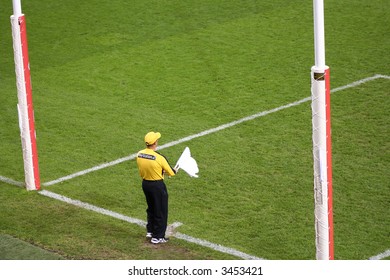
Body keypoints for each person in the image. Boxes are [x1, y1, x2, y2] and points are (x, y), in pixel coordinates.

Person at [136, 131, 177, 244]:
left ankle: (150, 231)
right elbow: (171, 172)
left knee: (151, 208)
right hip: (157, 186)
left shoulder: (139, 154)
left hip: (146, 184)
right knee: (161, 210)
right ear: (155, 143)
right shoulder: (159, 157)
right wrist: (174, 170)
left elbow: (146, 168)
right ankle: (158, 237)